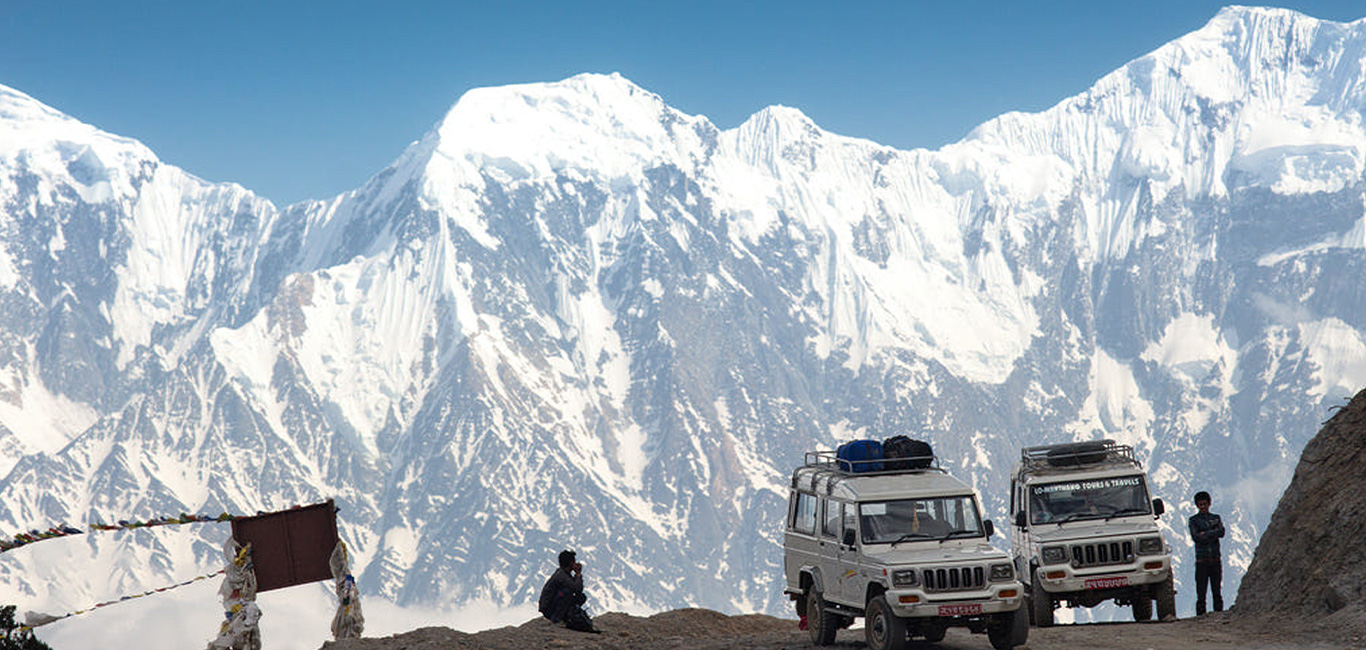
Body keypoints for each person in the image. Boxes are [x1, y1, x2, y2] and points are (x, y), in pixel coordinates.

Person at [538, 549, 598, 632]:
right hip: (549, 608)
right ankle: (556, 619)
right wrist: (578, 574)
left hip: (554, 604)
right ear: (571, 563)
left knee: (580, 597)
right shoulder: (561, 575)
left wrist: (577, 575)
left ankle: (567, 616)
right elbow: (576, 588)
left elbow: (578, 590)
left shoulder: (564, 574)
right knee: (567, 592)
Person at [1187, 491, 1225, 615]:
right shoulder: (1194, 520)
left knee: (1216, 590)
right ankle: (1201, 616)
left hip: (1215, 560)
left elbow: (1222, 532)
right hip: (1202, 561)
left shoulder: (1216, 518)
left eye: (1204, 504)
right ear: (1197, 506)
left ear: (1209, 504)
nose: (1203, 507)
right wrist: (1212, 533)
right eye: (1200, 504)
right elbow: (1197, 537)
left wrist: (1205, 533)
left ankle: (1219, 614)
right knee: (1201, 592)